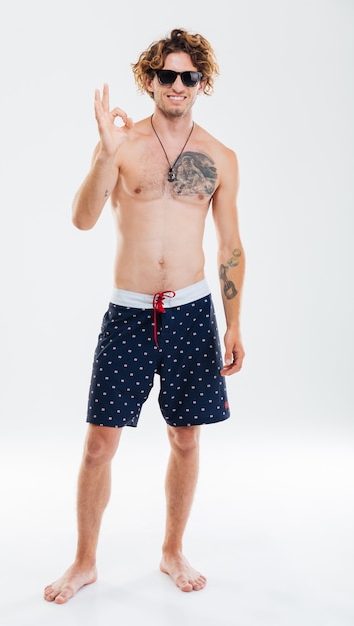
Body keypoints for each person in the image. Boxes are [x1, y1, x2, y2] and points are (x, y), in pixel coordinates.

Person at [44, 27, 245, 604]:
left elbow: (230, 246)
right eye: (166, 75)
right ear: (149, 79)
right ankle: (84, 562)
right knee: (98, 445)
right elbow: (83, 219)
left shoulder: (220, 156)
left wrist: (233, 323)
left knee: (185, 439)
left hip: (192, 312)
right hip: (129, 315)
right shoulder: (123, 144)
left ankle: (172, 550)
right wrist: (105, 155)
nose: (176, 85)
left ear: (200, 82)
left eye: (187, 76)